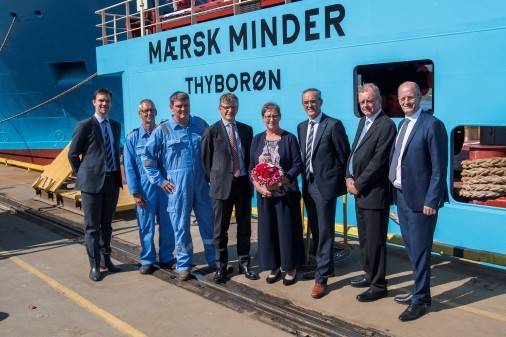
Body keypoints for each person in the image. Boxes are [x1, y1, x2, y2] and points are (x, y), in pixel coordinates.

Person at [389, 81, 448, 321]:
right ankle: (417, 290)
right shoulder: (402, 123)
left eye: (410, 97)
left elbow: (439, 167)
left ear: (420, 96)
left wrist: (431, 200)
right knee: (412, 249)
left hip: (422, 200)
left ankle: (421, 300)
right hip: (402, 196)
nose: (406, 102)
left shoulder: (432, 125)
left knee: (421, 251)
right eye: (402, 98)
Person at [142, 91, 216, 281]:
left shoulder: (200, 125)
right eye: (179, 106)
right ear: (171, 108)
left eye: (186, 105)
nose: (183, 109)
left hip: (201, 184)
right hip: (177, 187)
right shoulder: (163, 130)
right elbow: (147, 158)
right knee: (181, 227)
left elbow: (214, 149)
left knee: (208, 223)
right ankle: (183, 264)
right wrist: (160, 181)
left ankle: (214, 260)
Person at [297, 88, 350, 299]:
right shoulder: (302, 127)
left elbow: (344, 156)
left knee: (326, 232)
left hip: (325, 187)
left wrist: (339, 181)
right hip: (308, 185)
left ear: (321, 102)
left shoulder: (333, 125)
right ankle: (326, 267)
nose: (310, 105)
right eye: (306, 102)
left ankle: (321, 280)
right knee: (316, 230)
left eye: (313, 101)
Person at [201, 93, 259, 284]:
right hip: (221, 187)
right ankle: (221, 266)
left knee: (244, 226)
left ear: (237, 108)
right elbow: (206, 161)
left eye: (233, 107)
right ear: (220, 109)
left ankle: (244, 262)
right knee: (220, 230)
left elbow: (250, 158)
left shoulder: (246, 130)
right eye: (226, 107)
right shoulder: (212, 131)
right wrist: (216, 180)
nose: (229, 110)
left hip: (242, 184)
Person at [346, 83, 396, 302]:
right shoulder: (363, 122)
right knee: (365, 239)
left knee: (375, 241)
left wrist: (358, 183)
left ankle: (378, 285)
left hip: (373, 193)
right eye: (362, 102)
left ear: (378, 100)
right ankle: (369, 274)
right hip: (360, 192)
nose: (366, 105)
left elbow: (379, 161)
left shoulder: (386, 125)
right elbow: (355, 151)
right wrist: (348, 176)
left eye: (370, 101)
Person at [68, 88, 122, 282]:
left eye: (107, 101)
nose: (104, 104)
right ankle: (94, 265)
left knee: (107, 226)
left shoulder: (115, 125)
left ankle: (107, 260)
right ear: (94, 102)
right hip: (91, 184)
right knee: (92, 227)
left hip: (111, 181)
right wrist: (83, 174)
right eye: (101, 101)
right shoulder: (84, 126)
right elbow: (72, 154)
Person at [250, 102, 305, 286]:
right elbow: (252, 168)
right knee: (269, 231)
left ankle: (289, 267)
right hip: (265, 194)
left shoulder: (289, 138)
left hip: (285, 193)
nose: (271, 119)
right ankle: (274, 266)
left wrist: (280, 181)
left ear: (279, 116)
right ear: (263, 118)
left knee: (286, 231)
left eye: (274, 116)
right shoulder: (257, 139)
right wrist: (259, 187)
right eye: (267, 116)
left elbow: (298, 164)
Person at [123, 99, 175, 275]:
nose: (148, 113)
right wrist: (135, 192)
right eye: (145, 111)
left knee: (167, 224)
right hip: (145, 189)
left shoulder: (166, 130)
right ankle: (147, 259)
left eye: (151, 110)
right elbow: (129, 167)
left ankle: (167, 257)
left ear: (156, 112)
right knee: (146, 225)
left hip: (166, 188)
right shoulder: (133, 137)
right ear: (140, 114)